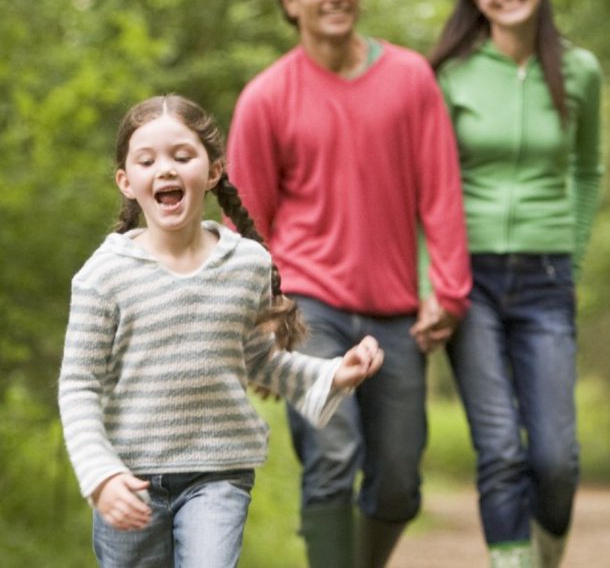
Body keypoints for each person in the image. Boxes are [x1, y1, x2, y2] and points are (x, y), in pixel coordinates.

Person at [225, 0, 471, 568]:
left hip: (394, 312)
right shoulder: (267, 96)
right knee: (333, 459)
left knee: (397, 482)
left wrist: (447, 292)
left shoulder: (411, 78)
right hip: (308, 309)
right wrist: (260, 324)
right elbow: (246, 224)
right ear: (291, 3)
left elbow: (441, 193)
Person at [58, 94, 384, 568]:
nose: (165, 170)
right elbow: (78, 384)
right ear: (127, 182)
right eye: (147, 160)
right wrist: (100, 476)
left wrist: (333, 375)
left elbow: (256, 360)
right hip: (129, 479)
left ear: (212, 172)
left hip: (218, 473)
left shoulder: (245, 263)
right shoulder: (103, 276)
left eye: (182, 156)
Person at [426, 0, 604, 568]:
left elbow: (588, 172)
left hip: (547, 277)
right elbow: (431, 184)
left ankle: (545, 555)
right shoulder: (452, 74)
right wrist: (433, 281)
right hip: (466, 279)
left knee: (555, 457)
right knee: (500, 447)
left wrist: (572, 257)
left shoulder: (580, 71)